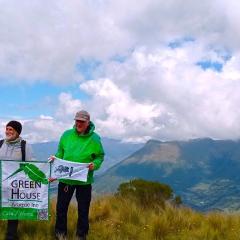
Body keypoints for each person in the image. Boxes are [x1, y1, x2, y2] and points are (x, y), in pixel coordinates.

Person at [52, 110, 104, 240]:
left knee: (83, 209)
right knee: (61, 208)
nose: (79, 123)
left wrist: (94, 165)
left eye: (82, 121)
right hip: (66, 179)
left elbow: (100, 156)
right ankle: (60, 234)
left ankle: (81, 235)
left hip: (84, 180)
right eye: (77, 120)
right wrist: (55, 160)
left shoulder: (95, 138)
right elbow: (60, 152)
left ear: (88, 122)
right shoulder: (66, 135)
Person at [0, 120, 33, 240]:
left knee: (13, 210)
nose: (8, 132)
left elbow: (31, 164)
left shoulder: (25, 146)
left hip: (15, 184)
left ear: (18, 132)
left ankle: (11, 235)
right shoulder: (0, 144)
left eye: (11, 130)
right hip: (0, 182)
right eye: (7, 129)